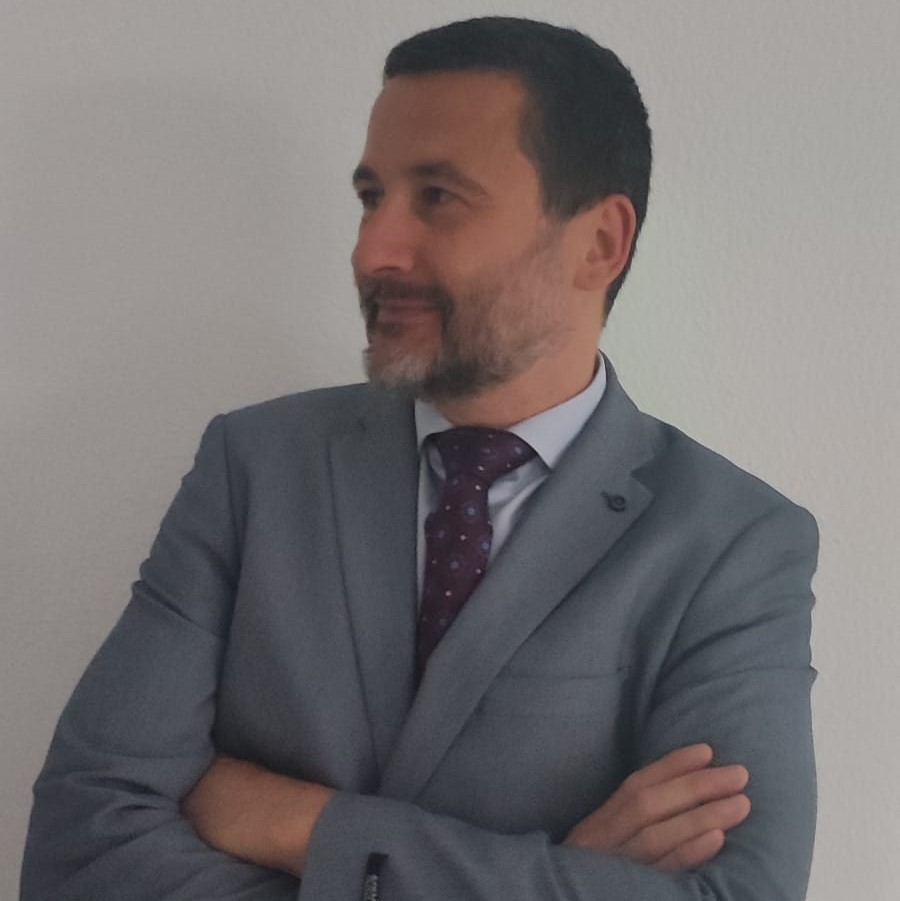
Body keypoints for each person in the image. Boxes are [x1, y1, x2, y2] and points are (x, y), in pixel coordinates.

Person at [21, 16, 818, 901]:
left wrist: (302, 825)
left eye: (438, 197)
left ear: (599, 242)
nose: (373, 250)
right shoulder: (254, 467)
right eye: (372, 197)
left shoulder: (732, 544)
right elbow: (76, 850)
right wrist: (558, 875)